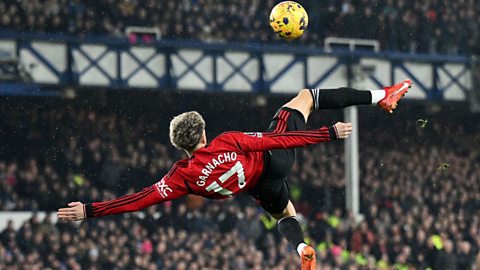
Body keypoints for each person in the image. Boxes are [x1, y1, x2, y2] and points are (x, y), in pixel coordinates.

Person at [58, 79, 412, 270]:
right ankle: (383, 95)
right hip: (273, 161)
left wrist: (90, 210)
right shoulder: (227, 142)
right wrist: (326, 134)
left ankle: (302, 247)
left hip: (258, 186)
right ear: (203, 133)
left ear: (181, 145)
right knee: (306, 96)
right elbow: (278, 139)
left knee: (284, 215)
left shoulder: (182, 176)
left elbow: (139, 200)